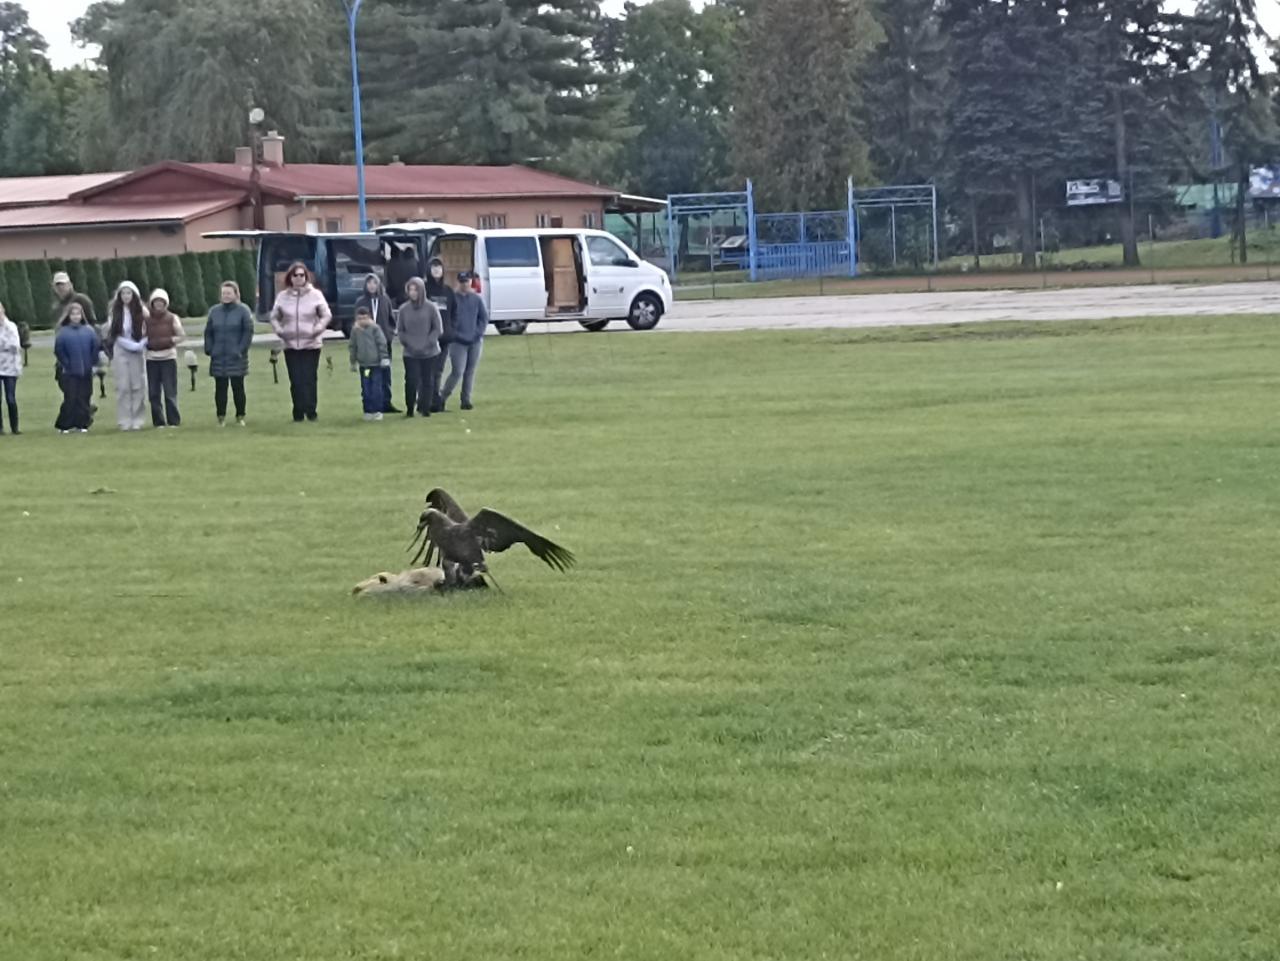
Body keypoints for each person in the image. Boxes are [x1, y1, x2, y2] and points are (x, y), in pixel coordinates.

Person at [269, 261, 331, 422]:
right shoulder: (283, 297)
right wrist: (280, 330)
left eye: (301, 275)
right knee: (295, 380)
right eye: (295, 275)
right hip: (290, 344)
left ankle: (311, 411)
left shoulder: (315, 295)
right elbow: (274, 317)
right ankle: (298, 412)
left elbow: (326, 315)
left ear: (306, 277)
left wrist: (317, 329)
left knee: (309, 378)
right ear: (290, 277)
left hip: (311, 344)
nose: (298, 278)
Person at [204, 280, 255, 426]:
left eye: (229, 293)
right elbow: (208, 332)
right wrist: (210, 349)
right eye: (223, 293)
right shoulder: (214, 311)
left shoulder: (243, 311)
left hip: (236, 356)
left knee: (238, 387)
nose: (226, 296)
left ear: (235, 294)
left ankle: (240, 416)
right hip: (218, 356)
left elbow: (248, 332)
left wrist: (240, 350)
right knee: (220, 388)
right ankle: (221, 416)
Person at [439, 271, 488, 412]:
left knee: (470, 371)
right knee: (457, 371)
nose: (464, 284)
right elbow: (449, 320)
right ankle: (442, 397)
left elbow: (483, 318)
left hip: (475, 341)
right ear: (458, 283)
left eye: (466, 281)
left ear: (470, 282)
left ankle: (466, 400)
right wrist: (456, 334)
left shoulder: (476, 299)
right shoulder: (453, 298)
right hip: (457, 342)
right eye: (462, 282)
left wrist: (477, 333)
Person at [103, 282, 149, 431]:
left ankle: (137, 419)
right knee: (123, 386)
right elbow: (114, 333)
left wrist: (140, 344)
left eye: (129, 293)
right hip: (120, 349)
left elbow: (149, 329)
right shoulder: (115, 311)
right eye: (123, 293)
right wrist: (128, 345)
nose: (126, 296)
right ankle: (124, 420)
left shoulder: (142, 311)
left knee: (137, 385)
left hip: (138, 350)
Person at [396, 277, 442, 418]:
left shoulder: (431, 308)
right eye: (410, 290)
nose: (413, 292)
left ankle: (425, 408)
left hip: (429, 351)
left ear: (421, 290)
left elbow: (437, 329)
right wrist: (408, 343)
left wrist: (429, 342)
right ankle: (410, 408)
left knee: (428, 380)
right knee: (411, 380)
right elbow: (400, 331)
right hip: (410, 352)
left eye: (415, 290)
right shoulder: (403, 309)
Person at [354, 273, 399, 414]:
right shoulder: (361, 302)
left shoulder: (385, 300)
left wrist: (389, 333)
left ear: (379, 284)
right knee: (369, 375)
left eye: (374, 282)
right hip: (368, 346)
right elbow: (357, 323)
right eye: (369, 283)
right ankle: (371, 403)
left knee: (385, 373)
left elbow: (391, 319)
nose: (372, 286)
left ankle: (386, 402)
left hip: (384, 343)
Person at [53, 302, 100, 433]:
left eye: (78, 314)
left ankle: (82, 424)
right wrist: (66, 364)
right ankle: (64, 425)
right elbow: (59, 350)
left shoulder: (89, 331)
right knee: (70, 398)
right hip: (69, 372)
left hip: (86, 370)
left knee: (84, 397)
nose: (75, 316)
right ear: (68, 316)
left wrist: (92, 363)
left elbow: (95, 348)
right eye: (73, 314)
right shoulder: (63, 332)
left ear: (81, 315)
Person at [145, 289, 184, 428]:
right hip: (152, 359)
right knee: (153, 393)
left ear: (165, 303)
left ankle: (173, 421)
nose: (158, 304)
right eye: (156, 302)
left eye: (161, 302)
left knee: (170, 391)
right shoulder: (146, 320)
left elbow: (181, 335)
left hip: (168, 358)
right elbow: (142, 336)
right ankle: (158, 421)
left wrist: (169, 341)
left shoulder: (172, 318)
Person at [424, 257, 457, 412]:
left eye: (439, 268)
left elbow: (454, 312)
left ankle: (435, 401)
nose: (436, 271)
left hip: (445, 338)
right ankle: (426, 400)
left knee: (438, 370)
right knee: (428, 370)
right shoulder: (424, 290)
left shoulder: (448, 291)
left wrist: (452, 329)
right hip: (428, 338)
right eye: (434, 268)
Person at [348, 305, 391, 422]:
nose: (362, 321)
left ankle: (378, 410)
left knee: (376, 388)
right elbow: (352, 347)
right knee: (366, 388)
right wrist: (353, 362)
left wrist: (384, 357)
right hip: (364, 366)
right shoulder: (355, 331)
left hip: (376, 365)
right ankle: (368, 410)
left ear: (369, 317)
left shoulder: (375, 329)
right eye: (360, 318)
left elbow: (382, 343)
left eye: (364, 318)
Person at [0, 301, 22, 434]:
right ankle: (0, 428)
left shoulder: (11, 326)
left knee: (10, 398)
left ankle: (15, 427)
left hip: (11, 368)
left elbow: (15, 345)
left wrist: (3, 345)